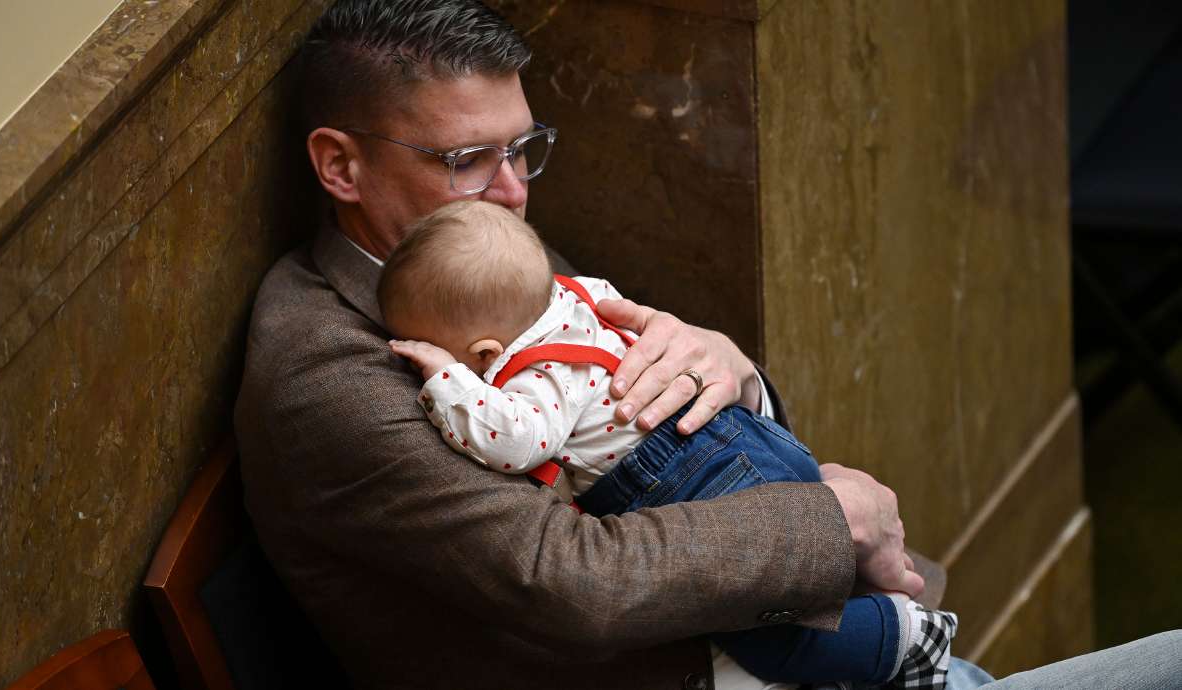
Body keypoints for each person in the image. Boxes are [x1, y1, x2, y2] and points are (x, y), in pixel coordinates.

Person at [234, 1, 1182, 688]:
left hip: (778, 642)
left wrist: (726, 369)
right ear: (339, 164)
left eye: (524, 149)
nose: (515, 191)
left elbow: (625, 411)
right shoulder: (330, 373)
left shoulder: (459, 238)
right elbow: (575, 583)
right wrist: (831, 520)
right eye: (466, 159)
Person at [380, 199, 960, 689]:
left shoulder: (539, 374)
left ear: (483, 353)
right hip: (744, 440)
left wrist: (444, 378)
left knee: (770, 639)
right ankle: (883, 593)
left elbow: (517, 442)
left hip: (685, 478)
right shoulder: (571, 295)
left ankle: (904, 639)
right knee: (817, 579)